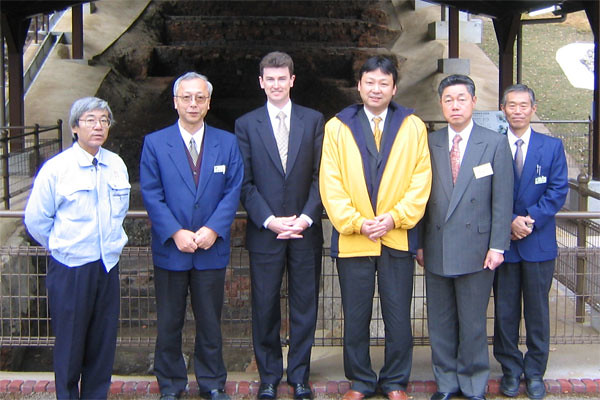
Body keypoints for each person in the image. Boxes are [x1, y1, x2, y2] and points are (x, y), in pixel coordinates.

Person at [319, 55, 432, 400]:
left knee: (398, 316)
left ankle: (396, 381)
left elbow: (420, 179)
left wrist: (395, 218)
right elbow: (330, 183)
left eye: (384, 83)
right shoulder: (338, 127)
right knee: (356, 316)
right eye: (370, 82)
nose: (376, 89)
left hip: (396, 238)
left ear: (394, 87)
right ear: (360, 86)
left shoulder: (413, 126)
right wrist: (356, 223)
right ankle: (361, 382)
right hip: (355, 240)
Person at [140, 72, 243, 400]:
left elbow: (233, 190)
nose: (193, 103)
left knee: (211, 323)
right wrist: (174, 232)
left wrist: (214, 228)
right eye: (186, 97)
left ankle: (212, 383)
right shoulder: (155, 143)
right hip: (172, 249)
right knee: (169, 322)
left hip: (210, 249)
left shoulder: (227, 142)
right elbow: (152, 194)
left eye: (200, 97)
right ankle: (171, 384)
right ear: (175, 101)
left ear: (209, 102)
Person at [24, 97, 130, 399]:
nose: (98, 126)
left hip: (107, 266)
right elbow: (36, 219)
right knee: (70, 343)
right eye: (90, 120)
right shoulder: (57, 169)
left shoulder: (116, 165)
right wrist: (62, 245)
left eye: (104, 120)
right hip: (71, 268)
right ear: (74, 127)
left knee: (102, 342)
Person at [416, 74, 513, 400]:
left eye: (461, 99)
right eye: (448, 99)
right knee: (441, 323)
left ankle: (474, 384)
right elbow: (420, 198)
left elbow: (502, 200)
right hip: (437, 245)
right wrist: (418, 243)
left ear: (473, 101)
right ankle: (445, 383)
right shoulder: (430, 143)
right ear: (441, 104)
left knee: (472, 324)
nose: (455, 105)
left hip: (478, 248)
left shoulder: (495, 142)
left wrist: (498, 245)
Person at [235, 51, 324, 400]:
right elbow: (245, 182)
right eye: (269, 79)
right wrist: (270, 220)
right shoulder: (246, 124)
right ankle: (269, 376)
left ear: (292, 80)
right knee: (265, 306)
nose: (275, 84)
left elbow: (322, 177)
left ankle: (299, 375)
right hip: (265, 233)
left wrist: (304, 217)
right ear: (261, 82)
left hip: (305, 231)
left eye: (281, 78)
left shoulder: (314, 120)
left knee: (305, 305)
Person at [493, 84, 568, 400]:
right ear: (503, 108)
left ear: (533, 109)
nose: (518, 110)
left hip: (538, 243)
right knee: (505, 311)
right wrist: (508, 220)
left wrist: (528, 220)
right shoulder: (492, 145)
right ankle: (510, 370)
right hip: (504, 243)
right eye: (512, 105)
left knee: (537, 312)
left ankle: (536, 372)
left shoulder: (551, 147)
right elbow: (485, 189)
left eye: (524, 105)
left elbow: (558, 190)